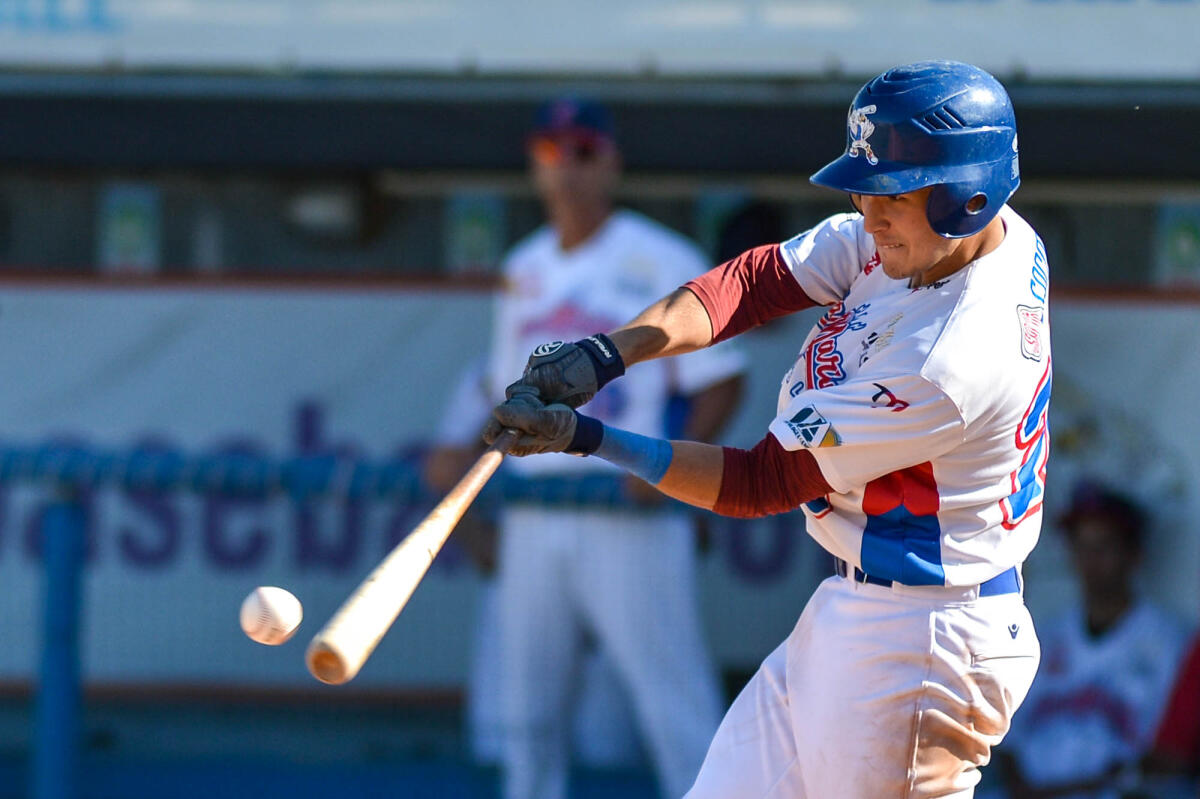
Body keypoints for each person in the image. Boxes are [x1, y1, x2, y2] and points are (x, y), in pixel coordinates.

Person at [485, 60, 1051, 798]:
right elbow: (754, 283)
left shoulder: (950, 359)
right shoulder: (967, 234)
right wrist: (603, 355)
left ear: (967, 197)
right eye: (865, 190)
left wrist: (587, 438)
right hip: (860, 609)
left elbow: (759, 482)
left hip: (925, 641)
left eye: (893, 195)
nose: (869, 217)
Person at [477, 96, 747, 799]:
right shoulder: (522, 266)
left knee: (672, 699)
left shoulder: (662, 256)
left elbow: (721, 381)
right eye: (551, 152)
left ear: (611, 162)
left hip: (626, 505)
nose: (567, 168)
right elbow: (502, 393)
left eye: (584, 152)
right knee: (526, 712)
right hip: (537, 506)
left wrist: (670, 466)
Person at [995, 481, 1189, 798]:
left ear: (1134, 554)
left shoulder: (1170, 641)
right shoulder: (1045, 636)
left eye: (1104, 546)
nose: (1091, 560)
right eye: (1082, 546)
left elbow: (1170, 759)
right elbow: (1007, 745)